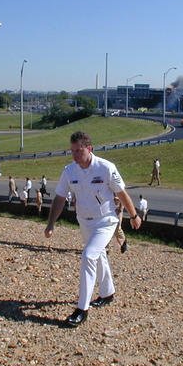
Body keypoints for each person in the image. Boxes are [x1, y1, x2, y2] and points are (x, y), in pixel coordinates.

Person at [44, 131, 142, 327]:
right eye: (72, 151)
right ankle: (107, 293)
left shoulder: (106, 168)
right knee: (99, 257)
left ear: (89, 149)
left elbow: (121, 193)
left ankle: (82, 309)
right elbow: (60, 198)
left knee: (89, 255)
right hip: (84, 221)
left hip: (105, 221)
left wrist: (134, 215)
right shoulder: (69, 171)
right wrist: (51, 223)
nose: (74, 155)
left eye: (78, 151)